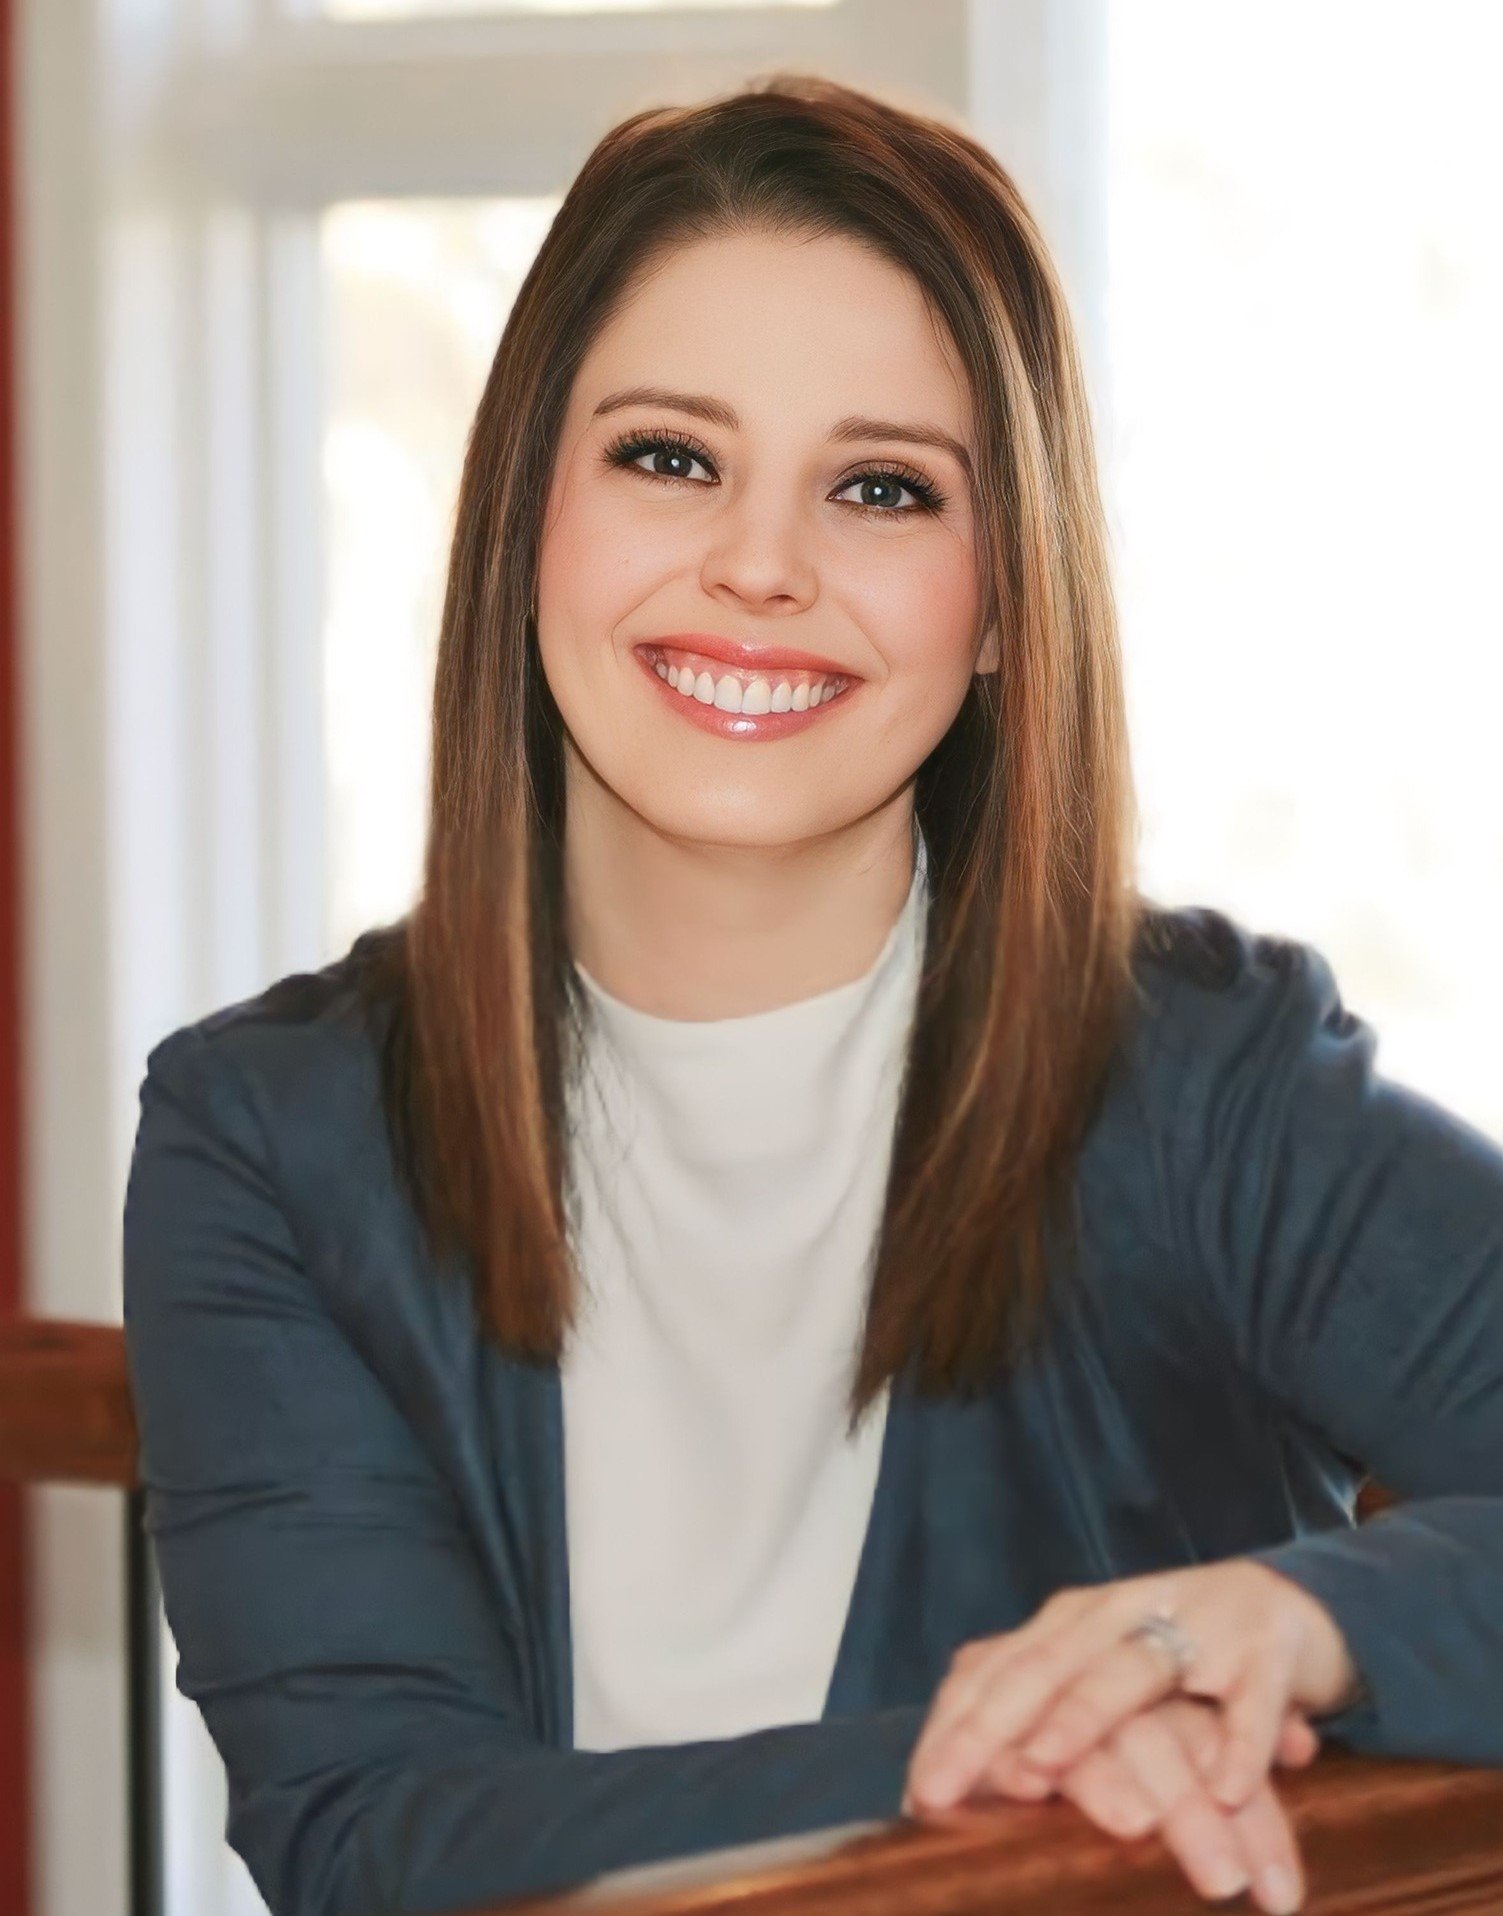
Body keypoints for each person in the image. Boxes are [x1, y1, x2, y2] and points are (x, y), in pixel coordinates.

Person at [121, 72, 1503, 1916]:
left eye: (879, 487)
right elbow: (375, 1836)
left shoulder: (1198, 1075)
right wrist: (1035, 1761)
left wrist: (1278, 1627)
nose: (759, 567)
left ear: (1003, 597)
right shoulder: (267, 1143)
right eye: (671, 456)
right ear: (525, 509)